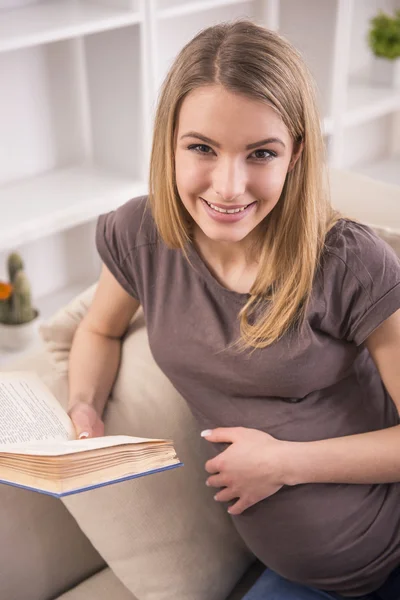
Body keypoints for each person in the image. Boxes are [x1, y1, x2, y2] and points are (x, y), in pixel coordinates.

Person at [67, 19, 400, 600]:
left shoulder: (352, 263)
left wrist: (285, 464)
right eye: (201, 148)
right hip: (300, 578)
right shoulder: (139, 235)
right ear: (168, 142)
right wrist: (85, 409)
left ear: (295, 153)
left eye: (260, 153)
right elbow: (98, 328)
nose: (228, 186)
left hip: (387, 550)